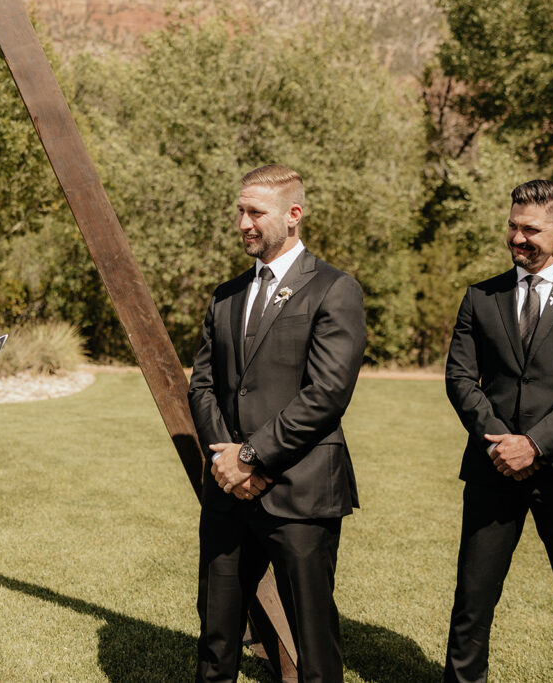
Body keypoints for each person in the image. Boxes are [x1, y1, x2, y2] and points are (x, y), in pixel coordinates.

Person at [188, 164, 367, 682]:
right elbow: (202, 384)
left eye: (254, 212)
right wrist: (227, 457)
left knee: (314, 643)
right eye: (240, 211)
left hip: (301, 492)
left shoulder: (335, 290)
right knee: (217, 638)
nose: (243, 223)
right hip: (227, 493)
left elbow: (327, 394)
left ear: (293, 215)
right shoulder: (226, 295)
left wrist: (252, 457)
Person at [442, 179, 553, 682]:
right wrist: (502, 442)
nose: (518, 238)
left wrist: (535, 445)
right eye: (513, 226)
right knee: (471, 606)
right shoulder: (481, 297)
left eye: (532, 229)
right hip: (492, 467)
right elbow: (460, 377)